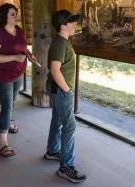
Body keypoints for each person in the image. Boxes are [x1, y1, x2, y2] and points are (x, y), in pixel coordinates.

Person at [44, 10, 86, 183]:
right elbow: (55, 69)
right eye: (72, 22)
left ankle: (53, 151)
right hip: (61, 91)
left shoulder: (63, 41)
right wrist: (67, 90)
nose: (75, 24)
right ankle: (66, 167)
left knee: (57, 120)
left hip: (59, 90)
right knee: (69, 126)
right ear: (63, 25)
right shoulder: (60, 43)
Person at [0, 3, 35, 157]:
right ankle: (2, 144)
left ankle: (7, 123)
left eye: (16, 13)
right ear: (4, 17)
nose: (17, 16)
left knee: (12, 100)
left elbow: (23, 47)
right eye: (13, 14)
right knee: (7, 106)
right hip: (2, 76)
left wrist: (29, 55)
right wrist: (15, 57)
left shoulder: (20, 31)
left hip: (18, 73)